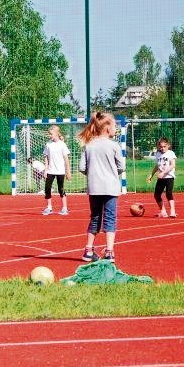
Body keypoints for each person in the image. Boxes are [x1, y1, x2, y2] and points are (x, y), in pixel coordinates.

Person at [78, 112, 125, 263]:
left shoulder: (88, 145)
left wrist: (93, 173)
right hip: (110, 188)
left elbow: (82, 167)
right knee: (110, 218)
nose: (115, 129)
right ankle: (110, 251)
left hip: (94, 188)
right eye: (114, 126)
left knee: (95, 218)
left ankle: (88, 250)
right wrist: (112, 173)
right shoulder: (114, 146)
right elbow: (121, 167)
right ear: (106, 128)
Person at [42, 125, 71, 215]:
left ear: (57, 133)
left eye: (51, 134)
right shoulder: (48, 144)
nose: (49, 135)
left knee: (60, 189)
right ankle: (49, 207)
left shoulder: (62, 144)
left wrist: (68, 172)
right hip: (50, 170)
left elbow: (66, 159)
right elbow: (46, 157)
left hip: (60, 171)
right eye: (49, 134)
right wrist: (45, 170)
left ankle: (65, 208)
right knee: (47, 188)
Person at [147, 137, 177, 218]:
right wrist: (151, 175)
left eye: (164, 146)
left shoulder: (171, 153)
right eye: (160, 147)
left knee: (168, 194)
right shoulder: (158, 154)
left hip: (169, 177)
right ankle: (163, 212)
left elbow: (173, 165)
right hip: (161, 178)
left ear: (168, 146)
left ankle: (173, 211)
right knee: (157, 195)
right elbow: (157, 165)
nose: (162, 148)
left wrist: (163, 172)